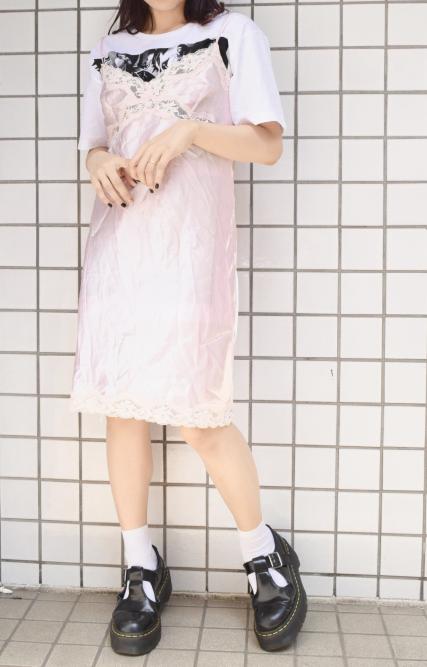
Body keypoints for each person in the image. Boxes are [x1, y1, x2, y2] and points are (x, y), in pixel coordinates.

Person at [69, 0, 307, 656]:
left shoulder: (231, 35)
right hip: (119, 246)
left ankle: (262, 554)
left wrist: (191, 131)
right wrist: (96, 162)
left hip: (192, 248)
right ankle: (140, 565)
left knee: (201, 415)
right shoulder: (108, 48)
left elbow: (267, 144)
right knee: (122, 409)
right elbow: (94, 143)